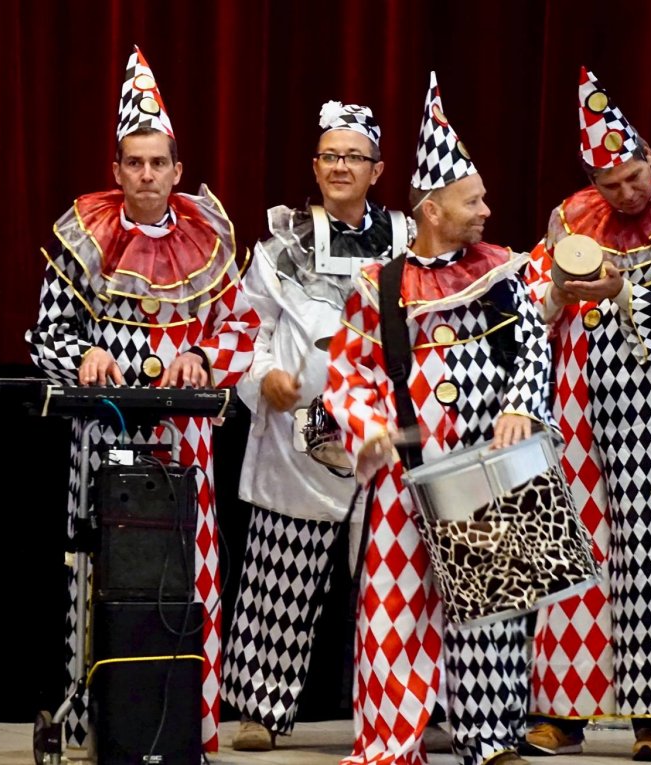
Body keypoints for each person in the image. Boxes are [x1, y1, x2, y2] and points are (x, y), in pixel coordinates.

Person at [25, 48, 258, 751]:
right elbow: (44, 333)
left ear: (177, 168)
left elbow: (243, 325)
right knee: (98, 571)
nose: (148, 175)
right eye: (135, 162)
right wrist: (81, 354)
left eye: (159, 162)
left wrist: (204, 355)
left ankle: (192, 724)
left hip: (185, 436)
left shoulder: (210, 235)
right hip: (103, 431)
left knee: (191, 573)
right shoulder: (83, 235)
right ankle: (100, 720)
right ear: (117, 167)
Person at [323, 71, 554, 765]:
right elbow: (347, 372)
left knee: (490, 609)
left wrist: (520, 404)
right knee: (393, 610)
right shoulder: (382, 284)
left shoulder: (501, 272)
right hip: (404, 473)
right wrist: (365, 424)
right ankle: (392, 739)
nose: (485, 209)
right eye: (471, 199)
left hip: (484, 467)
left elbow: (536, 346)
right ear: (431, 209)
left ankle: (492, 737)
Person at [523, 67, 651, 760]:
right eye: (612, 184)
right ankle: (560, 710)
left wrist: (624, 290)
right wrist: (554, 292)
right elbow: (536, 304)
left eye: (634, 177)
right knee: (575, 547)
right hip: (576, 398)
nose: (626, 192)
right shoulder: (571, 215)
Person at [222, 100, 410, 751]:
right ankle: (260, 710)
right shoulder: (279, 249)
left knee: (394, 579)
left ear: (377, 169)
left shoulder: (411, 241)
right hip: (299, 431)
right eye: (329, 155)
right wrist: (261, 377)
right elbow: (249, 330)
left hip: (384, 434)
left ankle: (403, 708)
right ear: (315, 164)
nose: (339, 166)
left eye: (352, 156)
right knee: (281, 571)